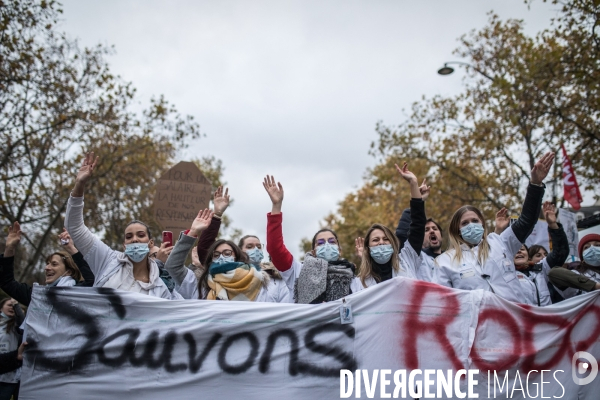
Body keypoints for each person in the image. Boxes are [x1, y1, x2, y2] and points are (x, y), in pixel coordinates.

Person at [434, 152, 554, 303]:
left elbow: (527, 221)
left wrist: (535, 185)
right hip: (479, 325)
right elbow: (443, 302)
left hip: (517, 320)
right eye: (465, 223)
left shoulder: (500, 243)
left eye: (475, 221)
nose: (471, 225)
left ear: (483, 224)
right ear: (457, 230)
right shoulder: (444, 262)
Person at [64, 152, 176, 299]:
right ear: (124, 245)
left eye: (140, 235)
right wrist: (79, 184)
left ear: (150, 243)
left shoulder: (161, 287)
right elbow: (74, 227)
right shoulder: (107, 260)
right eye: (129, 237)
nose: (134, 239)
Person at [264, 175, 356, 303]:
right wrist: (276, 206)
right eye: (321, 243)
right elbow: (275, 248)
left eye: (332, 242)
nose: (327, 245)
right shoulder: (298, 271)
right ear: (313, 252)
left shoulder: (353, 276)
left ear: (339, 250)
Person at [164, 209, 289, 302]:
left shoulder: (257, 282)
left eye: (227, 253)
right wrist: (193, 232)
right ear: (210, 259)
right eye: (216, 254)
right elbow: (172, 266)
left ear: (237, 256)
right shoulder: (199, 284)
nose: (222, 257)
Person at [351, 163, 426, 291]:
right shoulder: (357, 284)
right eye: (375, 240)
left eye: (386, 239)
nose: (381, 242)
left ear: (393, 243)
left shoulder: (407, 259)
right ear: (368, 249)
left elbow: (418, 224)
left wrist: (413, 183)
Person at [0, 223, 94, 306]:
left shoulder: (78, 293)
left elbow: (92, 281)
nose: (47, 268)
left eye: (54, 264)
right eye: (47, 264)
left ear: (68, 271)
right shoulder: (37, 296)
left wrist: (71, 249)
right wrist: (10, 248)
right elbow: (6, 282)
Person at [512, 202, 569, 306]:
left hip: (547, 319)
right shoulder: (504, 274)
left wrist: (553, 225)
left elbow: (560, 252)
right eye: (515, 250)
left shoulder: (541, 269)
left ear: (528, 256)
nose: (519, 251)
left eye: (522, 249)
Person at [548, 233, 600, 298]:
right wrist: (594, 286)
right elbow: (553, 273)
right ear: (582, 258)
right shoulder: (577, 274)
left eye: (597, 245)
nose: (592, 249)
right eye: (586, 247)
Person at [0, 298, 24, 400]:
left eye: (13, 306)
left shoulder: (17, 325)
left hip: (14, 375)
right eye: (9, 305)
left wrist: (16, 304)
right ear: (1, 308)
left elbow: (21, 320)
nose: (12, 307)